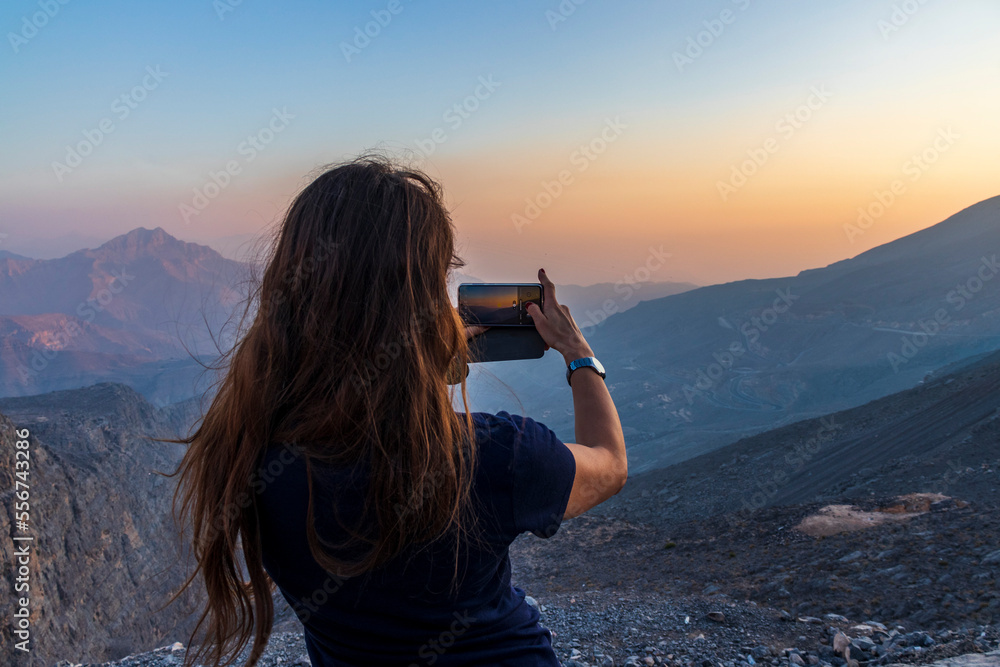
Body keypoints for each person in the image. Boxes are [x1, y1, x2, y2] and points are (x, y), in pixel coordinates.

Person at [169, 155, 627, 666]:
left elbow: (360, 426)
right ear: (421, 307)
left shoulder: (247, 455)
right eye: (438, 279)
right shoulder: (496, 456)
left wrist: (418, 367)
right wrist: (578, 354)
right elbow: (608, 463)